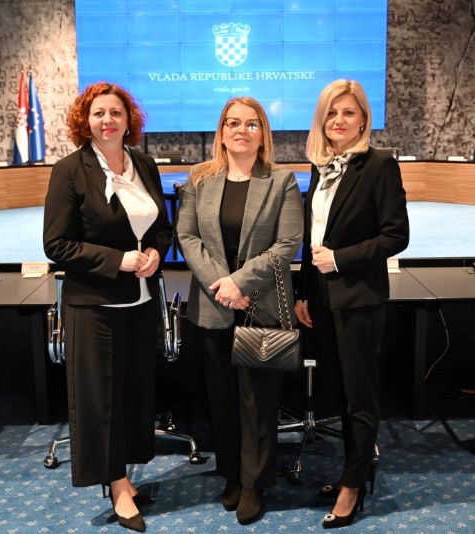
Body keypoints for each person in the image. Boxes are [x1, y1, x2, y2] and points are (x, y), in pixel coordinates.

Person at [43, 82, 171, 533]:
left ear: (128, 119)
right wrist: (119, 260)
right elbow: (57, 244)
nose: (108, 121)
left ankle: (126, 476)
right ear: (86, 120)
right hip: (94, 305)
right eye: (99, 113)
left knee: (132, 394)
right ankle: (116, 485)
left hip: (141, 301)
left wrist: (155, 253)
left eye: (116, 112)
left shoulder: (144, 164)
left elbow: (162, 227)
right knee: (102, 401)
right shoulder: (69, 171)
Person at [176, 96, 303, 525]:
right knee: (222, 400)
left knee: (258, 402)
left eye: (251, 123)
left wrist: (240, 284)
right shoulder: (200, 178)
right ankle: (231, 474)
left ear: (263, 133)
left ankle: (254, 484)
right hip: (213, 308)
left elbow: (287, 244)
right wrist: (222, 286)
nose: (241, 130)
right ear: (222, 131)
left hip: (260, 308)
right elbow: (187, 237)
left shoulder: (282, 181)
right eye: (233, 123)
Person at [294, 79, 410, 529]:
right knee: (341, 394)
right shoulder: (321, 168)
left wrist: (340, 259)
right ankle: (353, 470)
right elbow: (313, 239)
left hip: (360, 298)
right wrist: (305, 292)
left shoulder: (380, 165)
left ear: (363, 119)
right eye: (331, 113)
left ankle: (353, 485)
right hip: (323, 300)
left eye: (348, 112)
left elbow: (395, 236)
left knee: (360, 397)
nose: (338, 120)